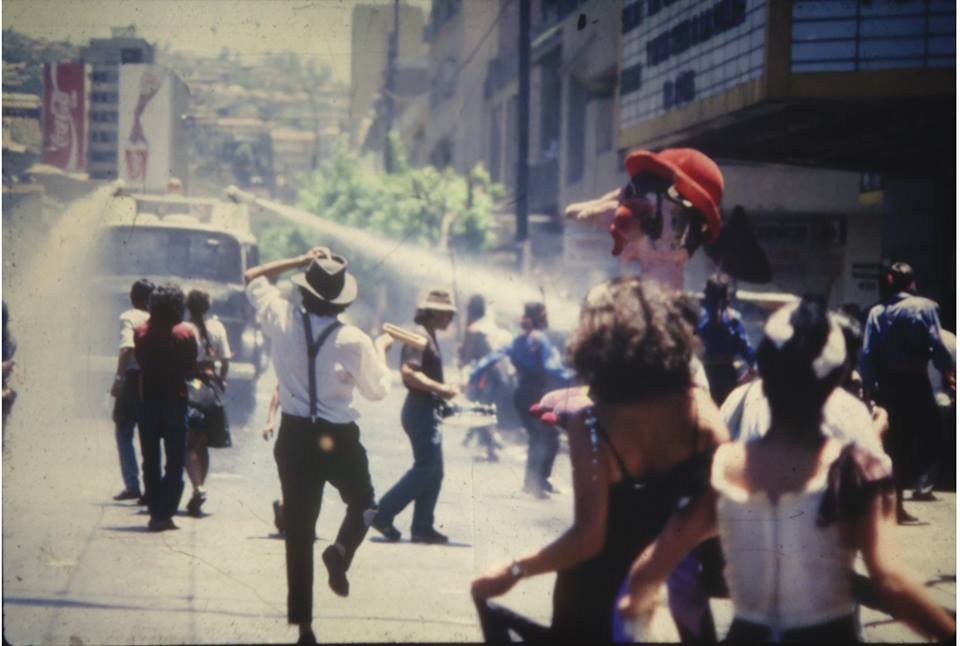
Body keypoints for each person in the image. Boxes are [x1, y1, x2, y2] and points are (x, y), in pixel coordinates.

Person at [618, 297, 956, 642]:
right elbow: (891, 582)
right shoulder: (855, 470)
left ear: (764, 373)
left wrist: (635, 612)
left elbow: (653, 565)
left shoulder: (726, 467)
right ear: (836, 378)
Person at [470, 277, 728, 642]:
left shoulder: (592, 423)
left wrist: (514, 570)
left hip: (594, 602)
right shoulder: (702, 412)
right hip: (675, 602)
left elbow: (587, 537)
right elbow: (720, 508)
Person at [244, 246, 393, 645]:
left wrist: (300, 260)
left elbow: (252, 276)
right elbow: (377, 391)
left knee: (298, 530)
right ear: (342, 298)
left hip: (294, 436)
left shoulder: (281, 317)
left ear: (304, 291)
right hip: (338, 439)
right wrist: (381, 352)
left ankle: (304, 627)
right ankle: (340, 552)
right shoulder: (354, 340)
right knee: (365, 505)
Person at [860, 262, 955, 523]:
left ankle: (896, 503)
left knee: (894, 443)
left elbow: (868, 353)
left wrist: (868, 387)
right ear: (912, 283)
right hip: (915, 383)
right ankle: (904, 494)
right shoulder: (926, 307)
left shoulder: (876, 312)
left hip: (888, 386)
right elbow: (937, 344)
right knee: (931, 438)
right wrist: (948, 371)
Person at [371, 288, 458, 544]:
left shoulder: (429, 335)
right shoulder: (419, 337)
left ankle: (422, 526)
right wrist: (441, 388)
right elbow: (409, 373)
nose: (450, 319)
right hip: (419, 410)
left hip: (426, 409)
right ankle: (382, 513)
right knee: (426, 467)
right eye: (446, 313)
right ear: (432, 313)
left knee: (434, 471)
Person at [470, 302, 575, 498]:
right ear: (540, 317)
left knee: (542, 436)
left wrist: (473, 376)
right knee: (546, 436)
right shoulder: (539, 339)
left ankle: (536, 481)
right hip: (534, 394)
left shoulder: (518, 340)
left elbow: (492, 358)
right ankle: (536, 482)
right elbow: (552, 366)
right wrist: (575, 376)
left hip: (522, 394)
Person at [134, 284, 198, 532]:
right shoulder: (185, 333)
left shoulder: (141, 331)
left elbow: (140, 361)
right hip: (175, 400)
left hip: (148, 400)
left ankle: (154, 508)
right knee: (174, 459)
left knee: (150, 458)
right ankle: (165, 511)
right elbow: (190, 366)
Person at [183, 289, 232, 518]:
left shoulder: (184, 329)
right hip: (211, 385)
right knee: (202, 443)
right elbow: (225, 360)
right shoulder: (218, 327)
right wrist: (222, 381)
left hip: (190, 385)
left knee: (189, 443)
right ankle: (199, 487)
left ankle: (197, 487)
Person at [110, 279, 154, 502]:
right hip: (153, 380)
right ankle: (151, 486)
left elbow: (127, 348)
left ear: (132, 297)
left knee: (124, 430)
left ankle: (132, 484)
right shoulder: (157, 319)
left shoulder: (129, 317)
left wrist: (119, 379)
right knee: (149, 433)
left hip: (133, 379)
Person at [457, 294, 506, 462]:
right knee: (483, 410)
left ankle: (493, 444)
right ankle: (491, 446)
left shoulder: (474, 329)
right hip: (495, 375)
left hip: (483, 376)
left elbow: (467, 357)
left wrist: (462, 357)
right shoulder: (490, 327)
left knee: (480, 411)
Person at [696, 273, 755, 405]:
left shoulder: (698, 317)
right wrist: (751, 371)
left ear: (705, 293)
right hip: (727, 375)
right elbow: (748, 352)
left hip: (704, 374)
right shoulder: (733, 319)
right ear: (726, 294)